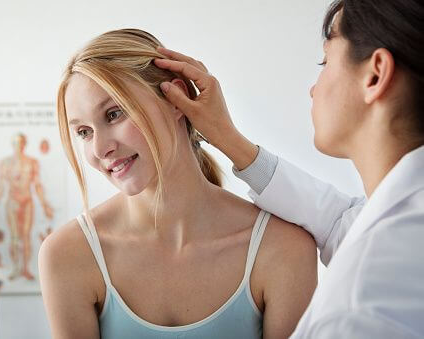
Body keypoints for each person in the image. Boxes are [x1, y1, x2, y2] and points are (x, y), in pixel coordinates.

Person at [153, 0, 424, 337]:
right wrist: (228, 138)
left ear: (375, 75)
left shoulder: (361, 309)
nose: (313, 88)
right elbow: (340, 219)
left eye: (325, 61)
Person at [38, 29, 317, 339]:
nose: (100, 149)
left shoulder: (281, 250)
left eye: (114, 114)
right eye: (84, 132)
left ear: (176, 99)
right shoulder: (69, 255)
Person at [0, 133, 54, 280]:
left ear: (25, 144)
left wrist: (45, 205)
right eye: (16, 143)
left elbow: (37, 185)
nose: (19, 146)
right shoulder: (5, 163)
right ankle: (16, 267)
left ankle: (25, 268)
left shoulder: (32, 162)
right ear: (13, 145)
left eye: (22, 143)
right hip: (12, 201)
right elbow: (1, 186)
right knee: (14, 236)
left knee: (26, 236)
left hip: (27, 201)